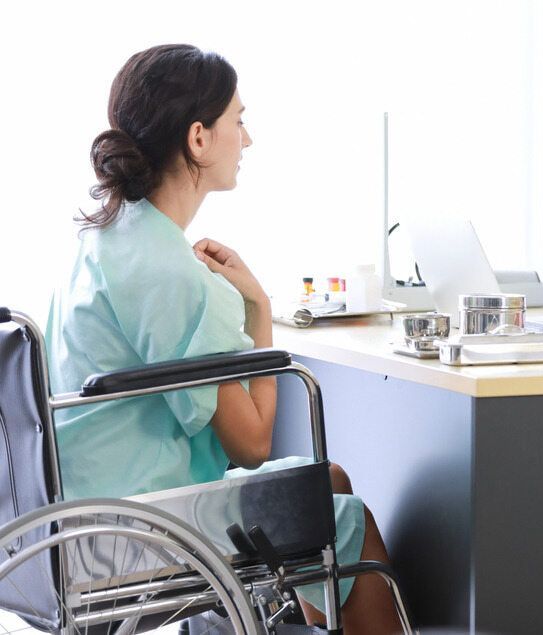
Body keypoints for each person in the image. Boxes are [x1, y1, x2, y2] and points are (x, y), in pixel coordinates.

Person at [45, 44, 400, 633]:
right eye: (238, 119)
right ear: (199, 139)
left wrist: (252, 305)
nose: (249, 138)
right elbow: (251, 444)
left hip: (78, 514)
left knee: (327, 479)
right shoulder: (172, 272)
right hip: (139, 531)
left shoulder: (106, 238)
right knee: (345, 518)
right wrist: (257, 305)